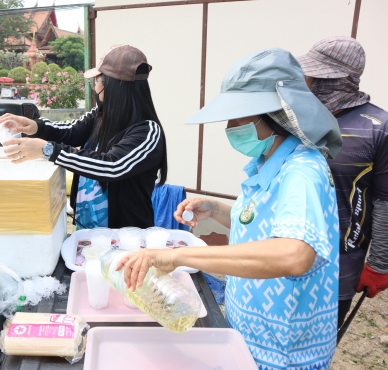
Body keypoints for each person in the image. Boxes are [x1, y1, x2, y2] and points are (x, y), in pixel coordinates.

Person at [117, 48, 342, 369]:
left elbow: (294, 254)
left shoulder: (302, 172)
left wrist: (176, 256)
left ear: (275, 115)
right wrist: (217, 210)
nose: (230, 126)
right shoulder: (269, 162)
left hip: (281, 351)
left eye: (238, 116)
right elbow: (263, 228)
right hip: (249, 333)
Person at [0, 44, 167, 229]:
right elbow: (71, 131)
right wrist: (35, 127)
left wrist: (48, 150)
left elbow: (112, 165)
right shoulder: (100, 115)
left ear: (112, 86)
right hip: (88, 231)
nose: (95, 87)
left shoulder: (148, 132)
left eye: (97, 81)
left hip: (126, 236)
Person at [297, 37, 388, 328]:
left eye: (313, 75)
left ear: (334, 81)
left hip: (340, 265)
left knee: (320, 342)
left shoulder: (378, 128)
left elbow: (385, 202)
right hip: (284, 251)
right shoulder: (296, 119)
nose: (306, 81)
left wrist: (379, 264)